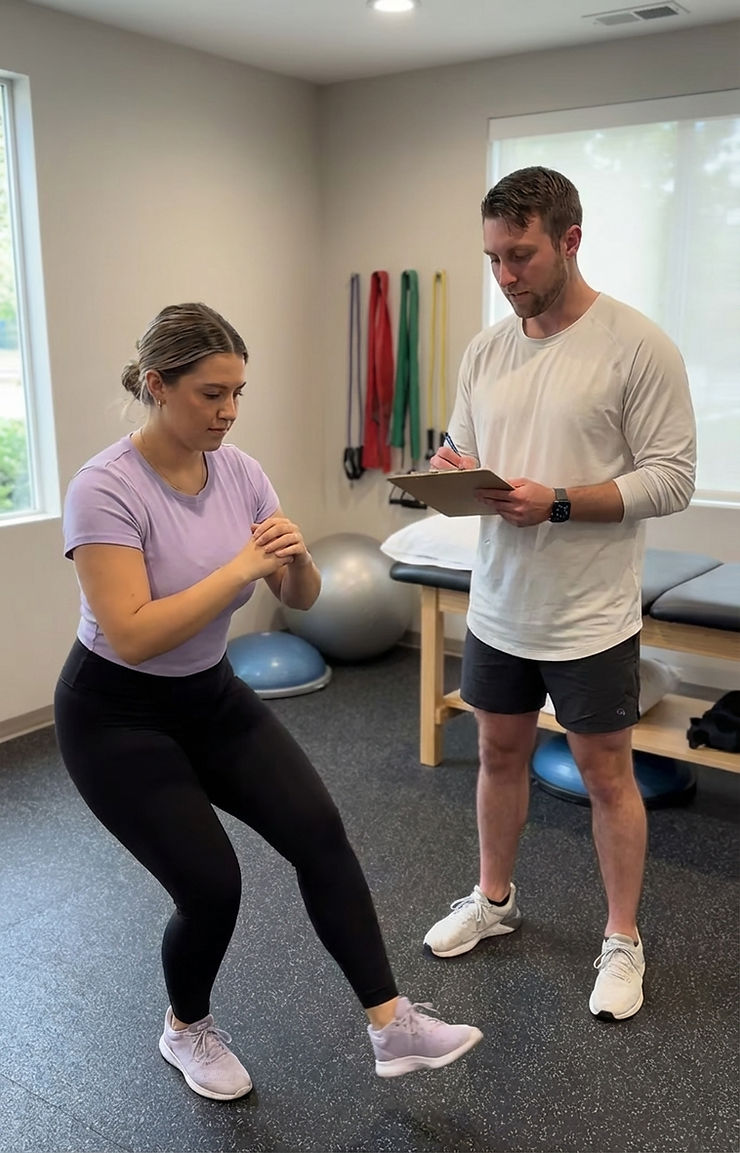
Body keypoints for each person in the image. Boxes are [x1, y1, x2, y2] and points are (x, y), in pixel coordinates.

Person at [54, 302, 482, 1101]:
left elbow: (307, 592)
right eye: (212, 393)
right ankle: (186, 1029)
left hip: (209, 694)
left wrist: (291, 564)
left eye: (238, 392)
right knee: (212, 885)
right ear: (158, 385)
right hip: (114, 713)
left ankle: (393, 1026)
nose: (229, 411)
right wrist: (246, 566)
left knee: (319, 833)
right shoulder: (103, 488)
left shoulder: (241, 471)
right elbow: (135, 632)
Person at [424, 167, 696, 1021]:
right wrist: (451, 471)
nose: (505, 275)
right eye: (493, 258)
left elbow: (674, 479)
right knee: (498, 754)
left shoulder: (634, 343)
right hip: (500, 601)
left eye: (520, 255)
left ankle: (622, 939)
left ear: (569, 241)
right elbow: (464, 447)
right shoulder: (485, 349)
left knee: (605, 774)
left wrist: (563, 501)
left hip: (590, 613)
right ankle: (494, 898)